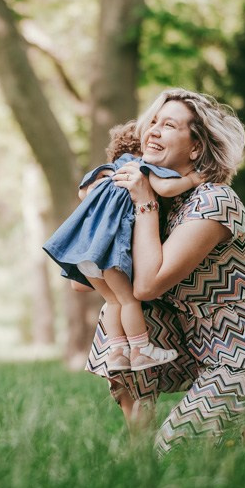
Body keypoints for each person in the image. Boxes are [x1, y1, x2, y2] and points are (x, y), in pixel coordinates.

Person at [87, 89, 245, 454]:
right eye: (154, 122)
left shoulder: (215, 202)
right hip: (194, 347)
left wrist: (144, 201)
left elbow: (148, 284)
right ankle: (139, 449)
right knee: (114, 308)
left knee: (177, 454)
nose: (154, 131)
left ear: (195, 148)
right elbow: (92, 284)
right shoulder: (161, 201)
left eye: (170, 125)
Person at [43, 120, 203, 371]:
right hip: (110, 253)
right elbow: (167, 187)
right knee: (128, 301)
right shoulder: (141, 169)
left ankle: (117, 353)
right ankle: (140, 350)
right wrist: (192, 179)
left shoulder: (108, 171)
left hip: (86, 255)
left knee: (113, 302)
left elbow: (84, 192)